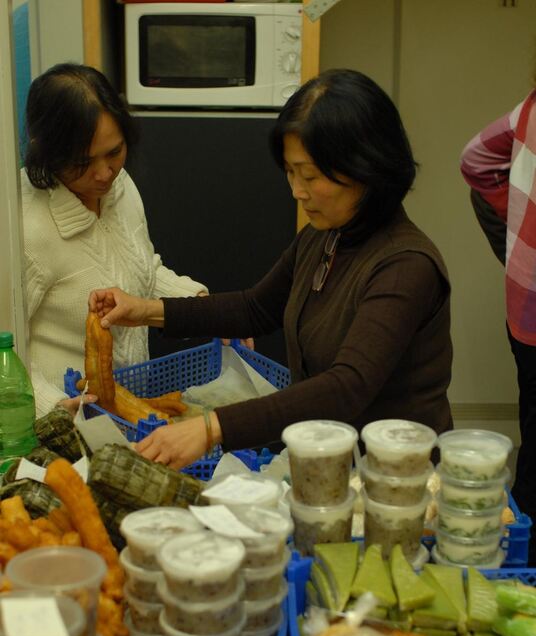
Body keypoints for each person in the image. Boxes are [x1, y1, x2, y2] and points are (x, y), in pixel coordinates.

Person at [90, 69, 453, 470]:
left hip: (397, 479)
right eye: (291, 172)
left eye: (310, 176)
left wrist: (212, 427)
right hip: (328, 465)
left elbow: (346, 386)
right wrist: (145, 310)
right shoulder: (326, 235)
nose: (297, 191)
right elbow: (255, 308)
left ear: (366, 168)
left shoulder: (405, 266)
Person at [21, 62, 209, 419]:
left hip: (133, 410)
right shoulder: (25, 228)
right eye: (82, 162)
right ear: (46, 151)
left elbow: (142, 270)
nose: (105, 173)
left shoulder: (119, 187)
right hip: (64, 422)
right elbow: (4, 349)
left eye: (115, 152)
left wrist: (206, 309)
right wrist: (54, 406)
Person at [461, 88, 536, 561]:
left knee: (534, 432)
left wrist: (519, 235)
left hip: (526, 305)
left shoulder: (531, 107)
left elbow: (475, 159)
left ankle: (524, 558)